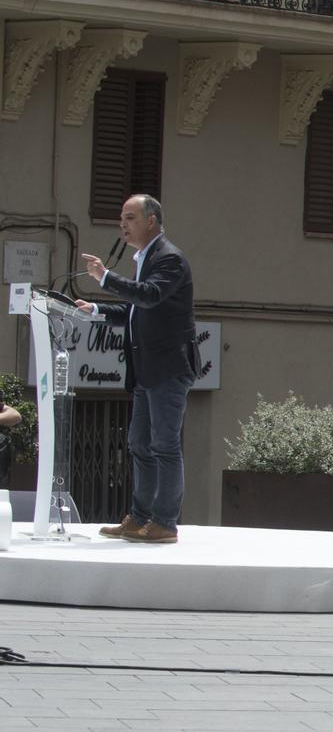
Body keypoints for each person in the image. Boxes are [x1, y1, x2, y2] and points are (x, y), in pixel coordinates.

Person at [78, 194, 197, 543]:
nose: (122, 224)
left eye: (130, 217)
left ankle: (164, 523)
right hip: (147, 370)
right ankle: (141, 518)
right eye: (121, 218)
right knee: (139, 445)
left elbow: (147, 296)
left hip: (168, 369)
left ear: (152, 220)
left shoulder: (170, 259)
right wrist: (97, 311)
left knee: (164, 445)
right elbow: (135, 311)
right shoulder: (146, 259)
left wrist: (105, 278)